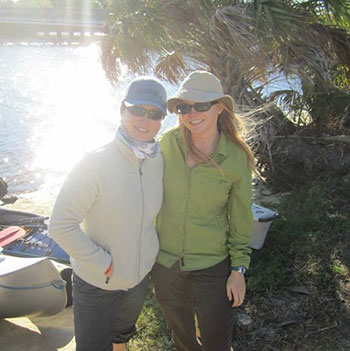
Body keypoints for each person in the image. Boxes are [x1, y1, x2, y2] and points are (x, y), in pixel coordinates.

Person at [49, 76, 167, 351]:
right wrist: (102, 262)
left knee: (121, 340)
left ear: (162, 119)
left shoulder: (158, 159)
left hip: (137, 281)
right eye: (137, 109)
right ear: (122, 109)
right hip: (97, 282)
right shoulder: (95, 163)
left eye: (154, 113)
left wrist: (147, 257)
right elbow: (61, 225)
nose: (144, 120)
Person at [151, 71, 255, 351]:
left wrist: (238, 269)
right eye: (184, 107)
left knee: (217, 343)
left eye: (201, 105)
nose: (191, 113)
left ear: (219, 107)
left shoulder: (236, 157)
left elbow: (242, 218)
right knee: (183, 340)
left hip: (212, 266)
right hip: (166, 265)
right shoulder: (165, 145)